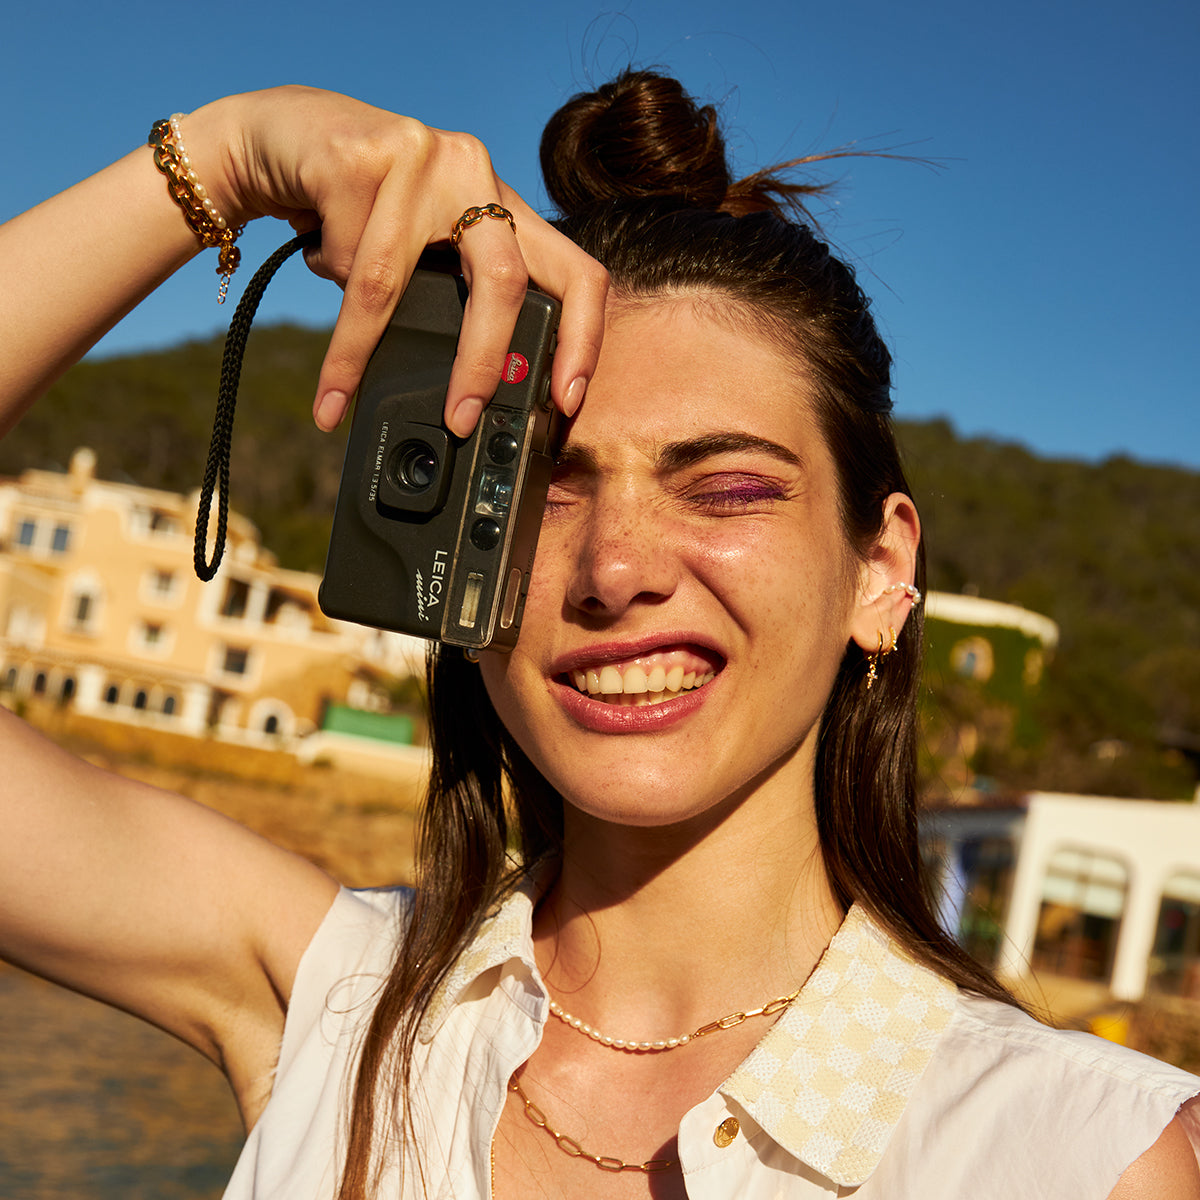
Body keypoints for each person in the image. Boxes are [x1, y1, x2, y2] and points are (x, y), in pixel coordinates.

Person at [1, 71, 1197, 1200]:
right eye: (537, 488)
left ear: (880, 573)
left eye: (726, 488)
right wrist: (227, 154)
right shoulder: (337, 1004)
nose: (615, 569)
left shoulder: (1092, 1154)